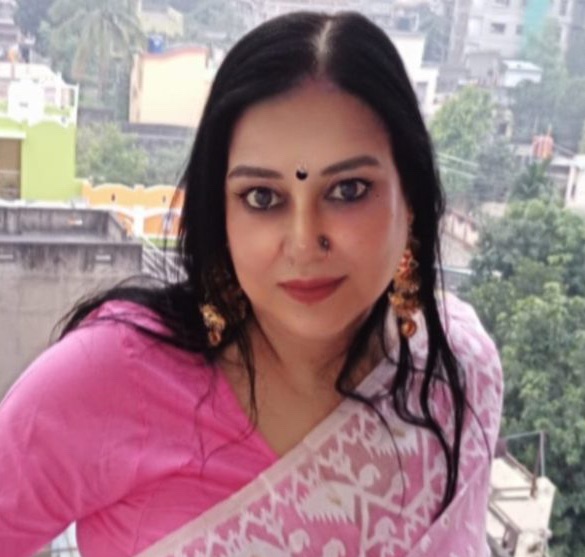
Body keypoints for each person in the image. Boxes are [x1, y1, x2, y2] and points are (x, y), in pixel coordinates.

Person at [0, 11, 503, 557]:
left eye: (349, 190)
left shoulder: (458, 372)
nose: (304, 242)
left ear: (412, 198)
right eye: (263, 197)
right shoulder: (111, 380)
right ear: (221, 214)